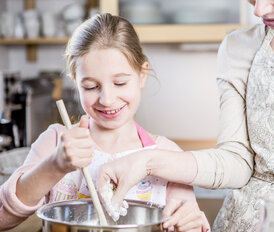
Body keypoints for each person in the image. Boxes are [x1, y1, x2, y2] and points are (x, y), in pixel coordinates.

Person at [96, 0, 274, 231]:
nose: (259, 8)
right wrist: (146, 161)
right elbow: (236, 161)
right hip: (245, 223)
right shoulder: (240, 46)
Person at [0, 13, 210, 232]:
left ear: (142, 74)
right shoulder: (55, 142)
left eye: (119, 83)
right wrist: (54, 166)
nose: (107, 99)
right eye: (91, 86)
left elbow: (186, 220)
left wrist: (190, 224)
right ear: (76, 83)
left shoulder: (167, 156)